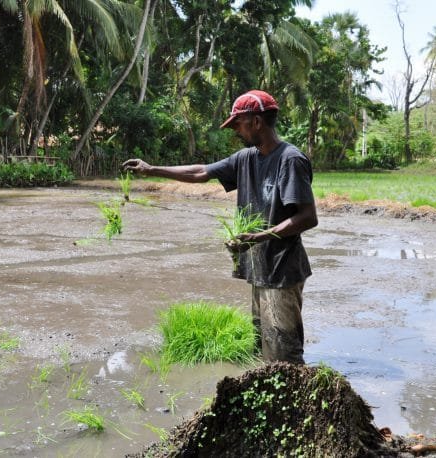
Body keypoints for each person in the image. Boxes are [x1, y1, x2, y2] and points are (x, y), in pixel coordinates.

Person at [122, 89, 317, 364]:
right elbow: (201, 172)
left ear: (257, 122)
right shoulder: (246, 158)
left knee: (284, 354)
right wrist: (151, 169)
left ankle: (294, 402)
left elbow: (308, 217)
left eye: (239, 123)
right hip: (260, 267)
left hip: (282, 270)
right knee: (263, 346)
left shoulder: (290, 159)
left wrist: (260, 236)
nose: (236, 130)